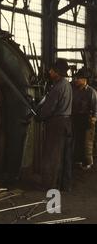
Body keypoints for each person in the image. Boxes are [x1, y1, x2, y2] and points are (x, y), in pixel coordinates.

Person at [36, 58, 73, 191]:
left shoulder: (57, 87)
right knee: (64, 156)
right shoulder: (67, 84)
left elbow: (49, 108)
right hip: (67, 122)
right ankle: (65, 185)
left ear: (58, 72)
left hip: (56, 123)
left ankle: (50, 185)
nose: (49, 72)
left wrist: (39, 117)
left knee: (52, 155)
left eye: (52, 70)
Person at [72, 67, 97, 170]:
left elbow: (95, 107)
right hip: (77, 119)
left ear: (84, 80)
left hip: (88, 119)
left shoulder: (92, 92)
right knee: (78, 141)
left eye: (78, 78)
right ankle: (78, 161)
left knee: (88, 143)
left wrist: (94, 119)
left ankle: (88, 163)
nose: (76, 80)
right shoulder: (75, 91)